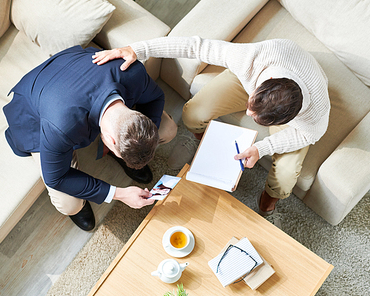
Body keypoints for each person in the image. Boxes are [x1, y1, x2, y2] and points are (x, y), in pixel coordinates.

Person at [92, 36, 330, 217]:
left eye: (254, 116)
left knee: (286, 176)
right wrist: (138, 49)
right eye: (250, 106)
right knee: (193, 114)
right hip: (259, 77)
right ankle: (206, 142)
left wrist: (262, 148)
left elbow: (305, 136)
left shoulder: (314, 115)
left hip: (292, 103)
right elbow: (196, 45)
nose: (247, 113)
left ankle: (270, 201)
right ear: (262, 84)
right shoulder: (252, 58)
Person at [3, 45, 177, 231]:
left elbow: (156, 97)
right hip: (35, 110)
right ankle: (81, 205)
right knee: (68, 203)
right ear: (110, 140)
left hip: (78, 78)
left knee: (168, 129)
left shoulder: (133, 72)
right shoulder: (61, 127)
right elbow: (56, 178)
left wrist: (138, 140)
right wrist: (119, 194)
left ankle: (127, 149)